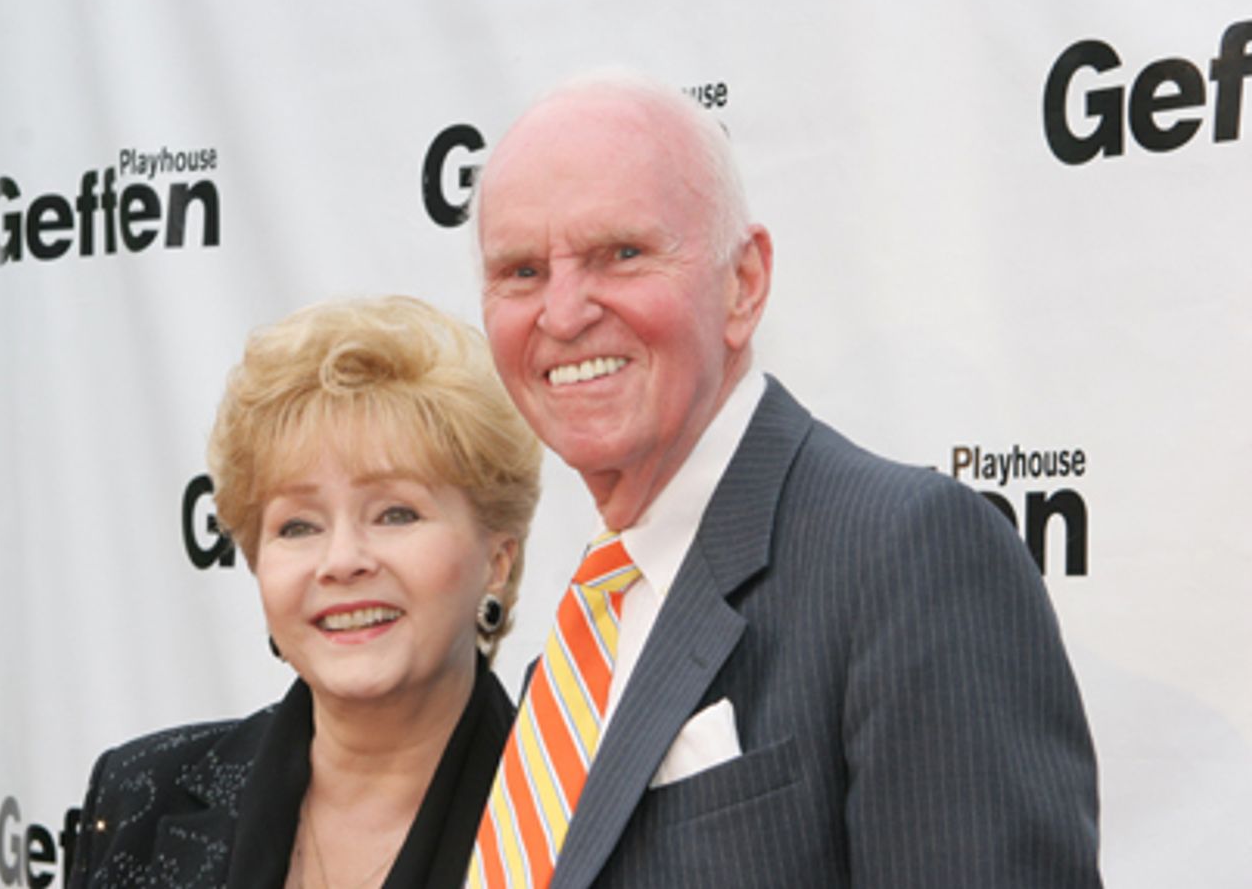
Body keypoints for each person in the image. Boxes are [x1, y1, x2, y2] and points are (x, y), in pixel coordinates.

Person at [466, 73, 1102, 888]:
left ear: (744, 283)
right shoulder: (576, 645)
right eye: (521, 271)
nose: (561, 314)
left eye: (621, 254)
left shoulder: (908, 557)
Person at [67, 296, 542, 889]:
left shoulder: (571, 824)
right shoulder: (142, 797)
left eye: (395, 514)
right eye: (298, 526)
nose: (341, 561)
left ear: (497, 560)